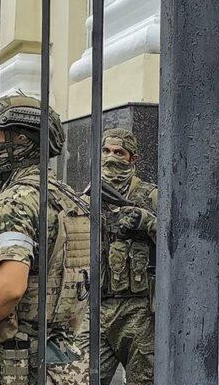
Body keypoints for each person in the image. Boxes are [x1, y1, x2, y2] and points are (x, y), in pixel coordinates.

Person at [0, 94, 91, 384]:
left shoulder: (17, 201)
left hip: (18, 360)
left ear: (23, 141)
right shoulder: (68, 198)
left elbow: (9, 289)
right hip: (63, 359)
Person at [73, 128, 158, 385]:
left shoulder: (149, 195)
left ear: (132, 158)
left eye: (119, 152)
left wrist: (146, 221)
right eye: (106, 151)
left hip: (137, 310)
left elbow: (179, 242)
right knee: (77, 377)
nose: (111, 158)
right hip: (94, 305)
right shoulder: (87, 196)